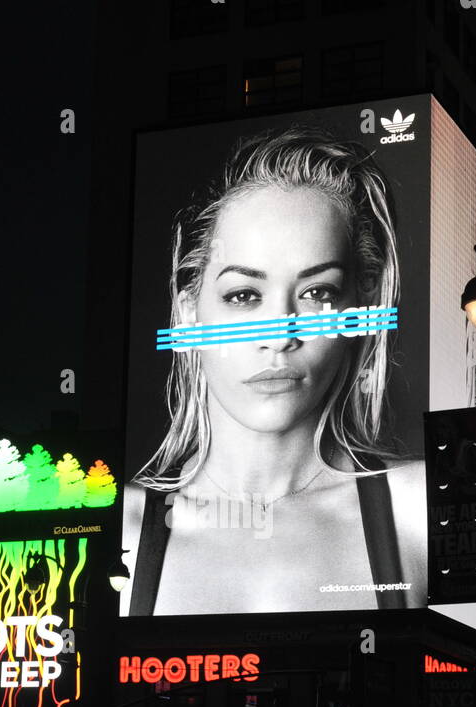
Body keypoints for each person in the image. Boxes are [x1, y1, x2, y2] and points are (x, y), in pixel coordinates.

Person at [121, 127, 426, 617]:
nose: (280, 336)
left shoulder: (419, 513)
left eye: (317, 293)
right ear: (187, 316)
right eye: (244, 296)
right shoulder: (120, 531)